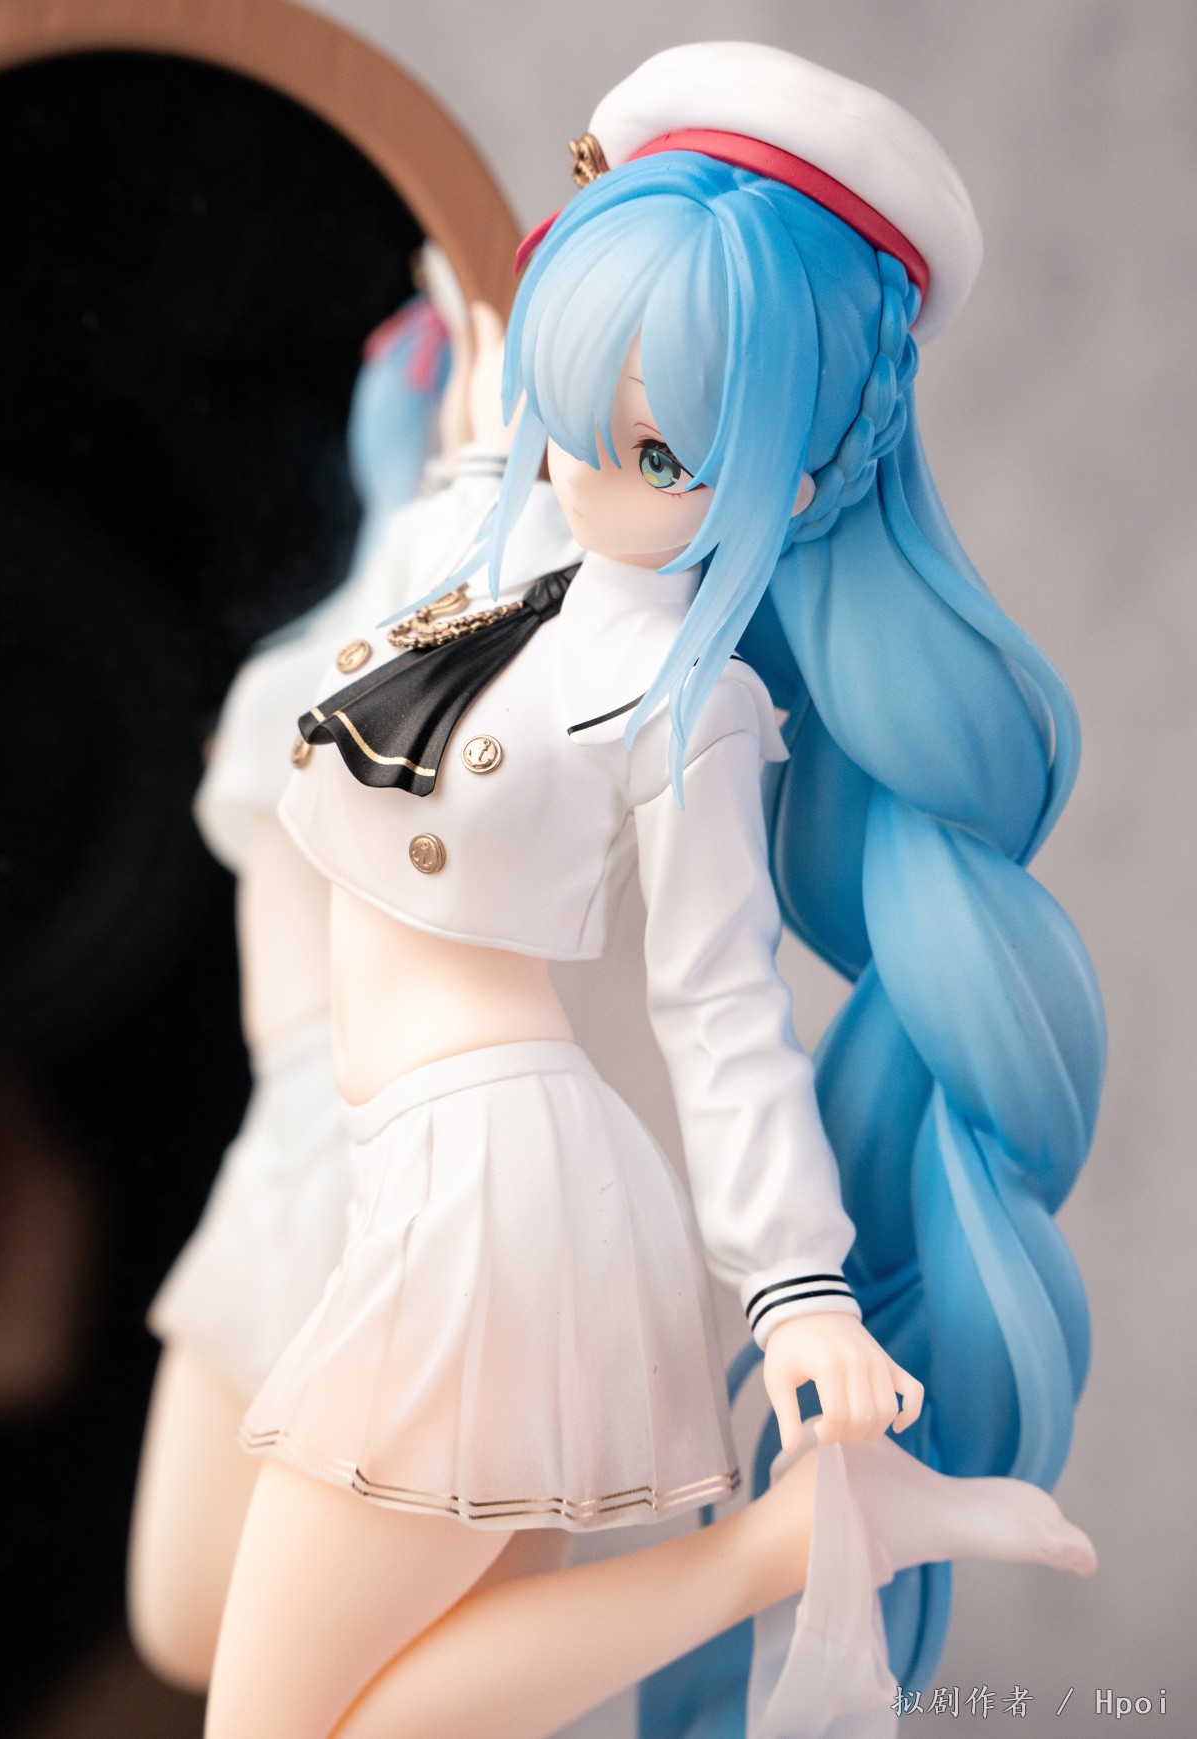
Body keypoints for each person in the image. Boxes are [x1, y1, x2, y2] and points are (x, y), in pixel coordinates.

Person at [206, 44, 1103, 1739]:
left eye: (666, 452)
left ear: (804, 477)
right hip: (440, 1186)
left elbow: (721, 1003)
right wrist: (468, 448)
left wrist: (800, 1288)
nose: (596, 475)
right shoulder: (512, 571)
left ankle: (787, 1544)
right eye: (579, 411)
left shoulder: (690, 704)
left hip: (498, 1201)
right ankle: (793, 1541)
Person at [127, 256, 518, 1691]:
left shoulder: (504, 644)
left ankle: (756, 1564)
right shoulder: (362, 625)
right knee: (196, 1631)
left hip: (391, 1159)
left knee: (313, 1669)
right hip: (288, 1148)